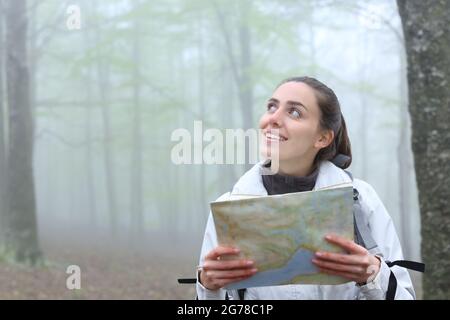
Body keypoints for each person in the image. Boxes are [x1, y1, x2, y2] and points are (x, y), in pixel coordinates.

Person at [196, 76, 415, 300]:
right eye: (272, 106)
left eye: (294, 112)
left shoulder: (360, 200)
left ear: (322, 138)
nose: (274, 118)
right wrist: (208, 287)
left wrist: (373, 275)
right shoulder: (230, 207)